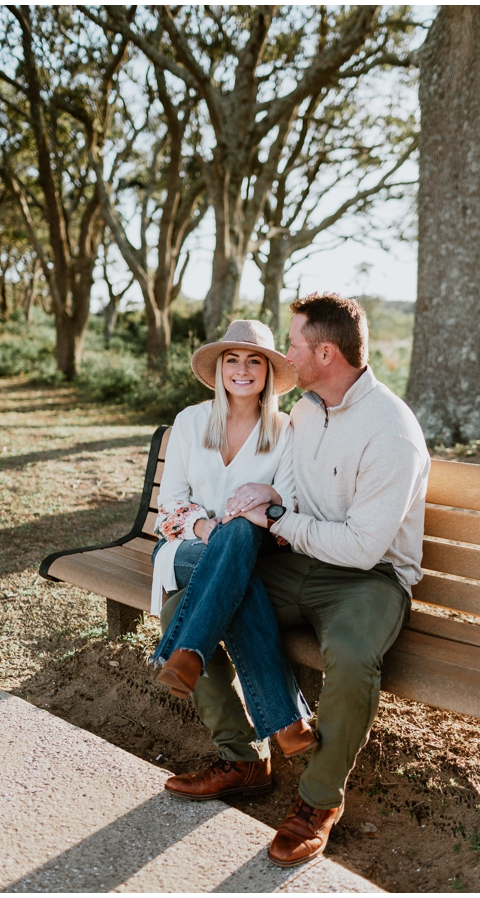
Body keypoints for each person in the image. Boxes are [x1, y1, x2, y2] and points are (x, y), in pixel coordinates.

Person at [160, 292, 430, 868]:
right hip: (298, 560)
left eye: (293, 345)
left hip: (369, 579)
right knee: (189, 600)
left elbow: (361, 548)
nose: (284, 355)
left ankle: (316, 803)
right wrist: (273, 496)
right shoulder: (307, 409)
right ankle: (242, 759)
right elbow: (299, 491)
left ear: (326, 353)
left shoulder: (391, 432)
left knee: (354, 660)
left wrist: (279, 516)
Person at [150, 319, 316, 760]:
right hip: (185, 549)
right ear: (221, 368)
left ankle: (187, 651)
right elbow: (169, 508)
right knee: (233, 544)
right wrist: (208, 529)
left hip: (254, 554)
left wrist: (269, 497)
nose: (242, 369)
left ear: (267, 372)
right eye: (233, 360)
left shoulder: (284, 431)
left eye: (253, 361)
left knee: (241, 533)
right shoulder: (190, 421)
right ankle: (285, 718)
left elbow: (291, 506)